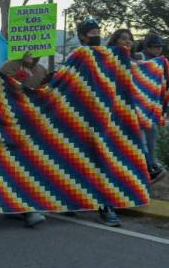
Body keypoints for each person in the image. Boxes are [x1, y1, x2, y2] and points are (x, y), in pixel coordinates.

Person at [74, 19, 122, 227]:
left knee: (104, 160)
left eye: (97, 30)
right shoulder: (78, 56)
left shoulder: (109, 56)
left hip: (106, 118)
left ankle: (106, 205)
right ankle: (82, 201)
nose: (96, 33)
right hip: (81, 117)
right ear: (83, 36)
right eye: (91, 31)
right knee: (83, 161)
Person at [0, 53, 48, 228]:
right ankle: (26, 209)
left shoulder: (42, 69)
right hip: (12, 123)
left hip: (34, 124)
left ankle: (24, 207)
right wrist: (22, 72)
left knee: (32, 166)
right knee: (18, 166)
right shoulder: (9, 66)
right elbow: (5, 89)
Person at [134, 33, 167, 183]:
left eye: (160, 47)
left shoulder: (159, 61)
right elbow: (134, 60)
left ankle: (151, 163)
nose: (158, 50)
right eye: (155, 47)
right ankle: (148, 166)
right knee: (141, 138)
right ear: (148, 47)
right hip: (137, 105)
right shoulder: (141, 57)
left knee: (152, 134)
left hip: (150, 105)